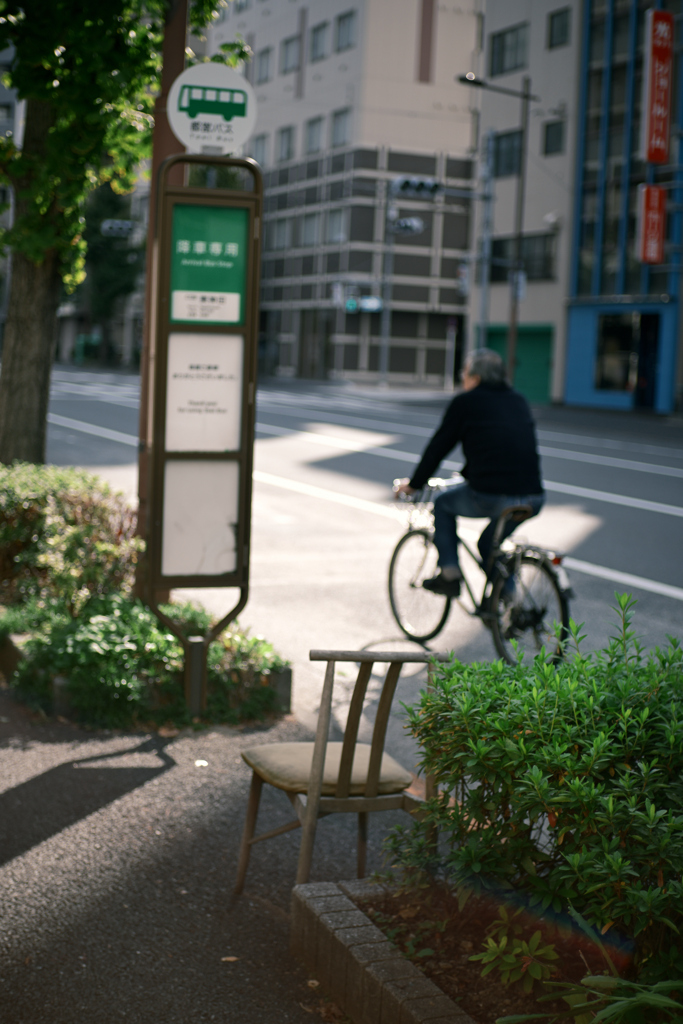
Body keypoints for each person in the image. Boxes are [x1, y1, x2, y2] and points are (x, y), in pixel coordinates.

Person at [393, 348, 544, 597]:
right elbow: (508, 446)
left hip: (491, 495)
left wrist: (415, 483)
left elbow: (438, 446)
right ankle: (510, 603)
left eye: (464, 372)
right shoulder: (518, 399)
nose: (462, 378)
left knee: (442, 505)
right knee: (488, 545)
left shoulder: (466, 402)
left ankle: (450, 574)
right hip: (533, 496)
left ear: (475, 377)